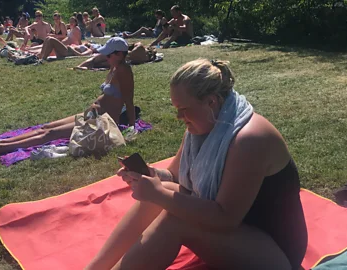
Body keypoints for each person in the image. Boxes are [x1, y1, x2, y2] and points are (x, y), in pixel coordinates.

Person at [84, 59, 308, 270]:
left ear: (211, 101)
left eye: (183, 109)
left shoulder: (250, 139)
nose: (179, 117)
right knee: (165, 193)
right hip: (243, 233)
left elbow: (225, 218)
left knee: (175, 217)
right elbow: (173, 177)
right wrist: (150, 175)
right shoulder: (206, 123)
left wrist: (159, 194)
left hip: (276, 252)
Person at [0, 37, 135, 155]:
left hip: (102, 119)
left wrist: (131, 127)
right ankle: (0, 141)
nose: (106, 58)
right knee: (47, 127)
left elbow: (128, 100)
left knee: (51, 133)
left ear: (120, 54)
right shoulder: (114, 67)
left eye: (109, 55)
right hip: (93, 112)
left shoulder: (124, 71)